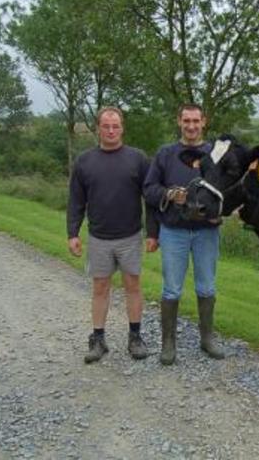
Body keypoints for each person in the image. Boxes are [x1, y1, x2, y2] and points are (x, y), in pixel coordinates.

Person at [67, 106, 158, 364]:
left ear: (122, 128)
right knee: (100, 288)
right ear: (98, 128)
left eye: (115, 126)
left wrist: (152, 232)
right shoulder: (84, 161)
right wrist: (72, 233)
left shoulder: (138, 159)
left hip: (130, 236)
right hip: (98, 238)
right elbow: (75, 201)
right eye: (105, 126)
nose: (110, 130)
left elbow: (150, 198)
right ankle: (98, 340)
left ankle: (135, 337)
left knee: (133, 286)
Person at [144, 103, 224, 365]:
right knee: (171, 290)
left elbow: (229, 186)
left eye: (196, 121)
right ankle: (168, 344)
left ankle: (207, 338)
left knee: (207, 286)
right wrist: (169, 194)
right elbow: (149, 189)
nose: (191, 126)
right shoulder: (165, 154)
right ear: (179, 121)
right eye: (186, 120)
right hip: (173, 232)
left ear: (204, 122)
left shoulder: (215, 153)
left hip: (207, 233)